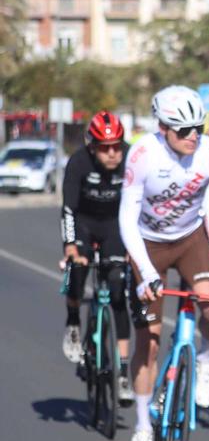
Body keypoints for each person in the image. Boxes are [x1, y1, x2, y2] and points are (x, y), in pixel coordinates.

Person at [117, 86, 209, 441]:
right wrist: (146, 274)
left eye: (199, 127)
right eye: (183, 129)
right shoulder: (142, 154)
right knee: (150, 342)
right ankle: (143, 427)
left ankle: (204, 358)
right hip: (148, 244)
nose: (193, 135)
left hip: (191, 240)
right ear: (162, 127)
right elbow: (126, 219)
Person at [61, 111, 138, 382]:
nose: (112, 154)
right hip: (84, 223)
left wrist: (135, 247)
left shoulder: (131, 159)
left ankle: (124, 371)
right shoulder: (79, 162)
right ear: (92, 146)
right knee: (77, 271)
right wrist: (70, 246)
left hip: (115, 225)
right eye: (105, 148)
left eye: (117, 146)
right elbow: (69, 209)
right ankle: (73, 322)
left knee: (117, 293)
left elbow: (141, 205)